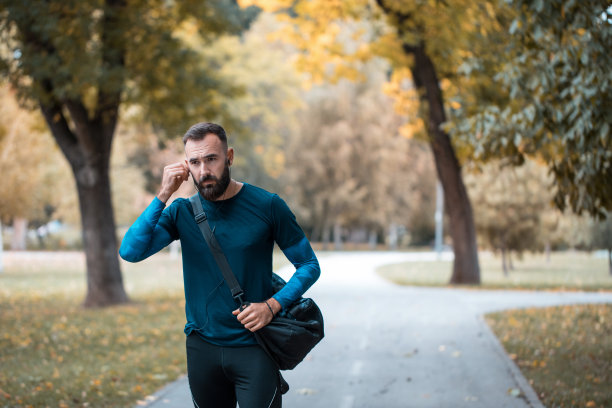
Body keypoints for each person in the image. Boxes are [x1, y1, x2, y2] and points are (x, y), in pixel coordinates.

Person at [119, 122, 321, 408]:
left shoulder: (268, 206)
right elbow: (130, 251)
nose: (203, 171)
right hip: (203, 350)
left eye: (211, 159)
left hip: (255, 347)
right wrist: (163, 195)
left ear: (229, 156)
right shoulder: (181, 212)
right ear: (186, 165)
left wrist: (271, 306)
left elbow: (309, 265)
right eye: (195, 162)